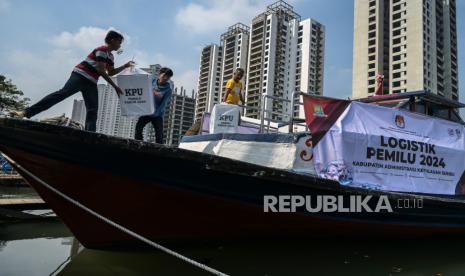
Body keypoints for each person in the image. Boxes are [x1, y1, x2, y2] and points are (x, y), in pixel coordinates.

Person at [11, 30, 133, 132]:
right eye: (119, 42)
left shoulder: (110, 56)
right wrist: (115, 87)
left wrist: (125, 66)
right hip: (80, 76)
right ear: (112, 40)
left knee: (92, 109)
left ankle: (90, 134)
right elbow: (101, 71)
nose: (120, 45)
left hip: (91, 82)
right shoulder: (102, 50)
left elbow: (111, 72)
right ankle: (26, 112)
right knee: (61, 94)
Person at [134, 67, 173, 143]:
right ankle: (139, 144)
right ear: (160, 74)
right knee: (138, 127)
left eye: (168, 77)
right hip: (146, 111)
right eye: (164, 75)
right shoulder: (151, 82)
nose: (165, 78)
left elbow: (164, 104)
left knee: (159, 134)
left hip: (157, 114)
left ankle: (159, 150)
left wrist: (155, 113)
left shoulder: (168, 90)